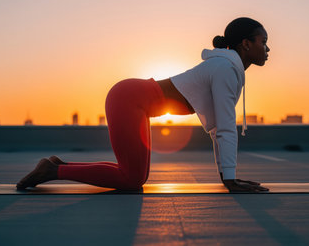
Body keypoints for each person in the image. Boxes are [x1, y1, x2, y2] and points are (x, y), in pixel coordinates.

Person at [17, 17, 270, 192]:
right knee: (132, 179)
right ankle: (52, 172)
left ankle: (58, 166)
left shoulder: (226, 68)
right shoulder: (225, 68)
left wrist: (227, 177)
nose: (268, 49)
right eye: (263, 42)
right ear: (246, 44)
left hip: (132, 100)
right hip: (129, 99)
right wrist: (230, 178)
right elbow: (225, 128)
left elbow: (217, 128)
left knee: (132, 174)